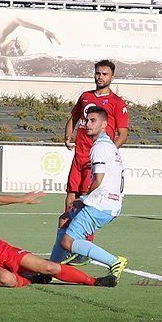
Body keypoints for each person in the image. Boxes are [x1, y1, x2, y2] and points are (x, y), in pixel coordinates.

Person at [61, 59, 129, 264]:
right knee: (70, 198)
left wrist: (108, 154)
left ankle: (82, 249)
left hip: (96, 160)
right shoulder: (85, 97)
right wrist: (67, 136)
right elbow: (73, 117)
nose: (100, 77)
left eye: (105, 74)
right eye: (98, 73)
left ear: (112, 77)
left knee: (88, 200)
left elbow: (123, 134)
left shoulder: (117, 103)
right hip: (79, 156)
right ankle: (67, 242)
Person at [50, 107, 129, 281]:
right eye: (86, 120)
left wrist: (84, 199)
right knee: (64, 219)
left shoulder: (99, 147)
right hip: (110, 203)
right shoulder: (108, 146)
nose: (87, 124)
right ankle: (51, 269)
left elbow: (98, 180)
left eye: (93, 120)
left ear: (104, 125)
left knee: (67, 242)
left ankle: (114, 261)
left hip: (101, 205)